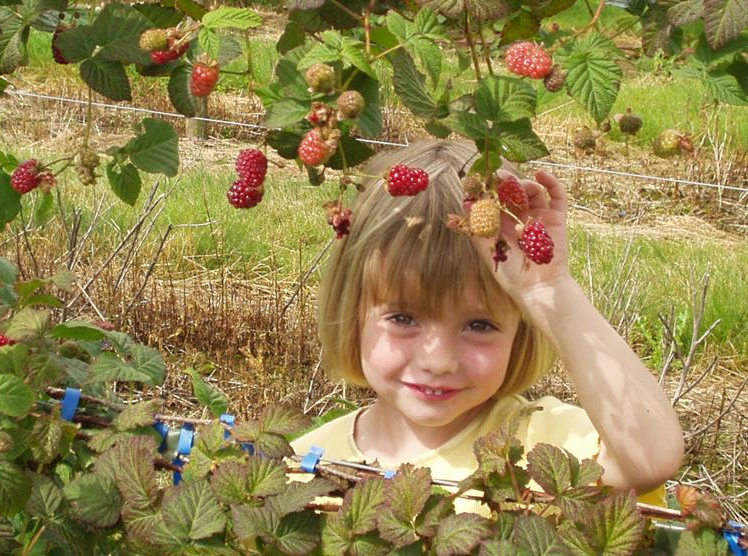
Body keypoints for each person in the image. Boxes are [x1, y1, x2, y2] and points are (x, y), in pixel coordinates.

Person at [290, 140, 684, 511]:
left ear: (522, 328)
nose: (439, 361)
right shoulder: (304, 465)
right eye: (403, 318)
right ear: (353, 311)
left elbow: (650, 458)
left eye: (479, 325)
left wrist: (551, 292)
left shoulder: (540, 445)